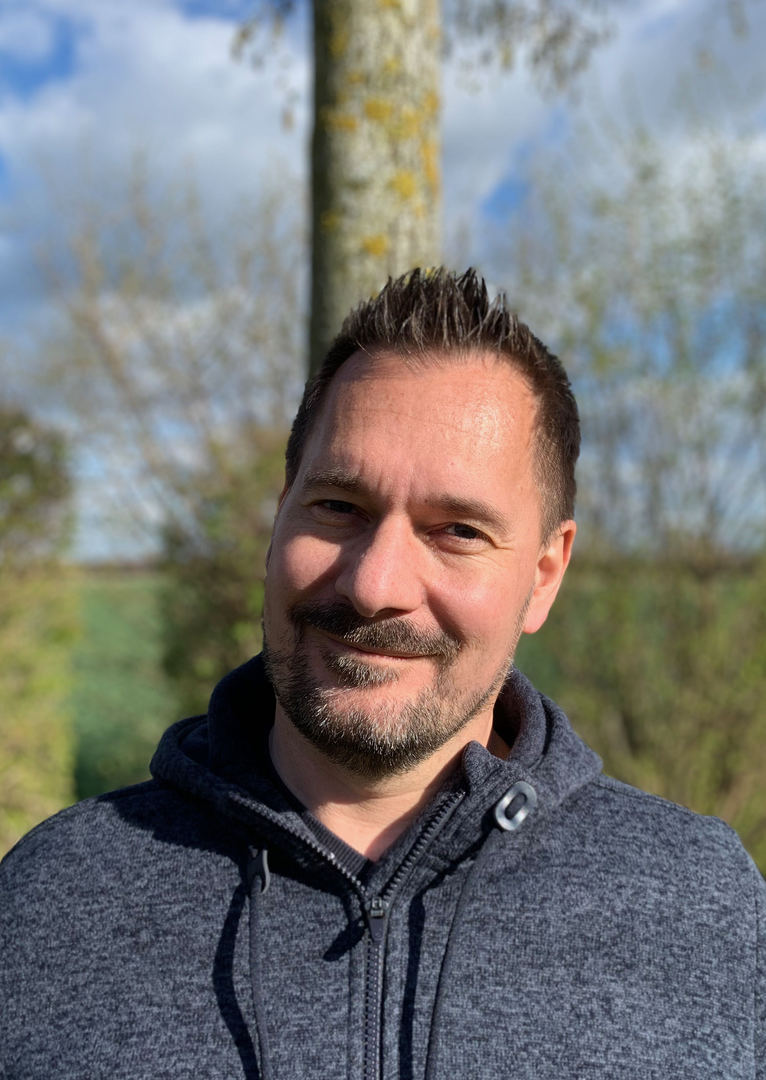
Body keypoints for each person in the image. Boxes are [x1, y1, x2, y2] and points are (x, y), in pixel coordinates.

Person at [1, 268, 763, 1079]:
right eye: (338, 508)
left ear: (544, 575)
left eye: (458, 530)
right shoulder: (52, 899)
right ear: (280, 514)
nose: (374, 585)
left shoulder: (703, 904)